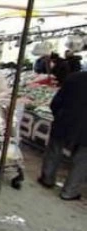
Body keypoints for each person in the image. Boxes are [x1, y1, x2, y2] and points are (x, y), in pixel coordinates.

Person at [39, 71, 87, 200]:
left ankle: (47, 179)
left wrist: (58, 114)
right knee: (82, 160)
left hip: (65, 120)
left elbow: (57, 100)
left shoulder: (75, 77)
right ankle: (69, 191)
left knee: (54, 149)